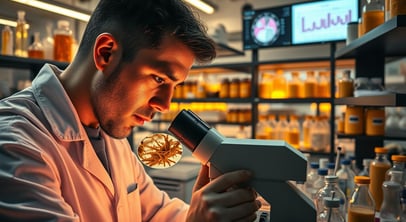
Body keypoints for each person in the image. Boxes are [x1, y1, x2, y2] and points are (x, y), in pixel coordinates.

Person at [0, 0, 262, 221]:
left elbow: (156, 212)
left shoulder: (111, 136)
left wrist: (211, 208)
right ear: (106, 53)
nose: (164, 105)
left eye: (174, 86)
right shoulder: (15, 144)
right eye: (159, 79)